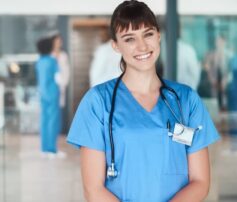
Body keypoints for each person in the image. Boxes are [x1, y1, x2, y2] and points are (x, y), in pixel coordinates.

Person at [67, 1, 220, 201]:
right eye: (129, 39)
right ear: (115, 45)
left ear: (159, 36)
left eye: (148, 34)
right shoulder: (97, 102)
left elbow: (200, 181)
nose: (142, 46)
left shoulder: (186, 100)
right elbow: (93, 189)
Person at [35, 35, 65, 159]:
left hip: (42, 93)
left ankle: (44, 149)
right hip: (52, 93)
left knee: (44, 120)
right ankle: (52, 150)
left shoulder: (39, 62)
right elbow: (58, 77)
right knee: (53, 121)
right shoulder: (52, 61)